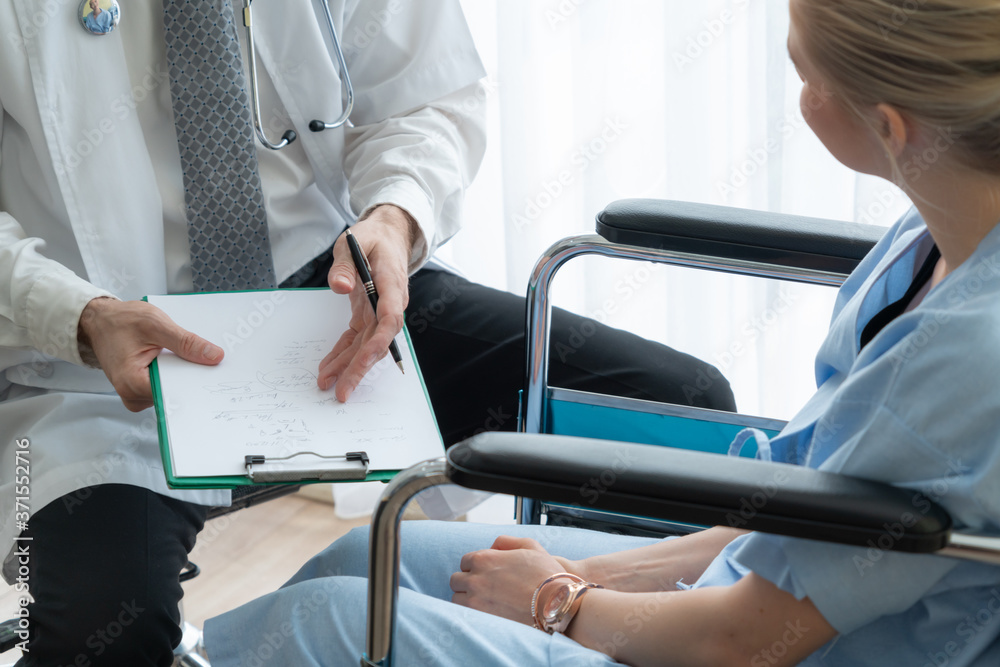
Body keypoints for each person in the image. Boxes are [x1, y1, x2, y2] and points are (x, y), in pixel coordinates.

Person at [201, 0, 1000, 664]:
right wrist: (584, 573)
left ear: (893, 127)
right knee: (361, 560)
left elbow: (744, 636)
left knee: (312, 627)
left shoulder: (960, 361)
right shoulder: (932, 238)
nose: (796, 95)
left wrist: (562, 604)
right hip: (748, 588)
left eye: (804, 77)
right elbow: (799, 522)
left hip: (757, 644)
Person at [0, 1, 733, 665]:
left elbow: (427, 94)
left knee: (674, 410)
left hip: (334, 293)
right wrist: (76, 317)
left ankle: (579, 634)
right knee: (101, 628)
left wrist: (394, 213)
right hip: (89, 349)